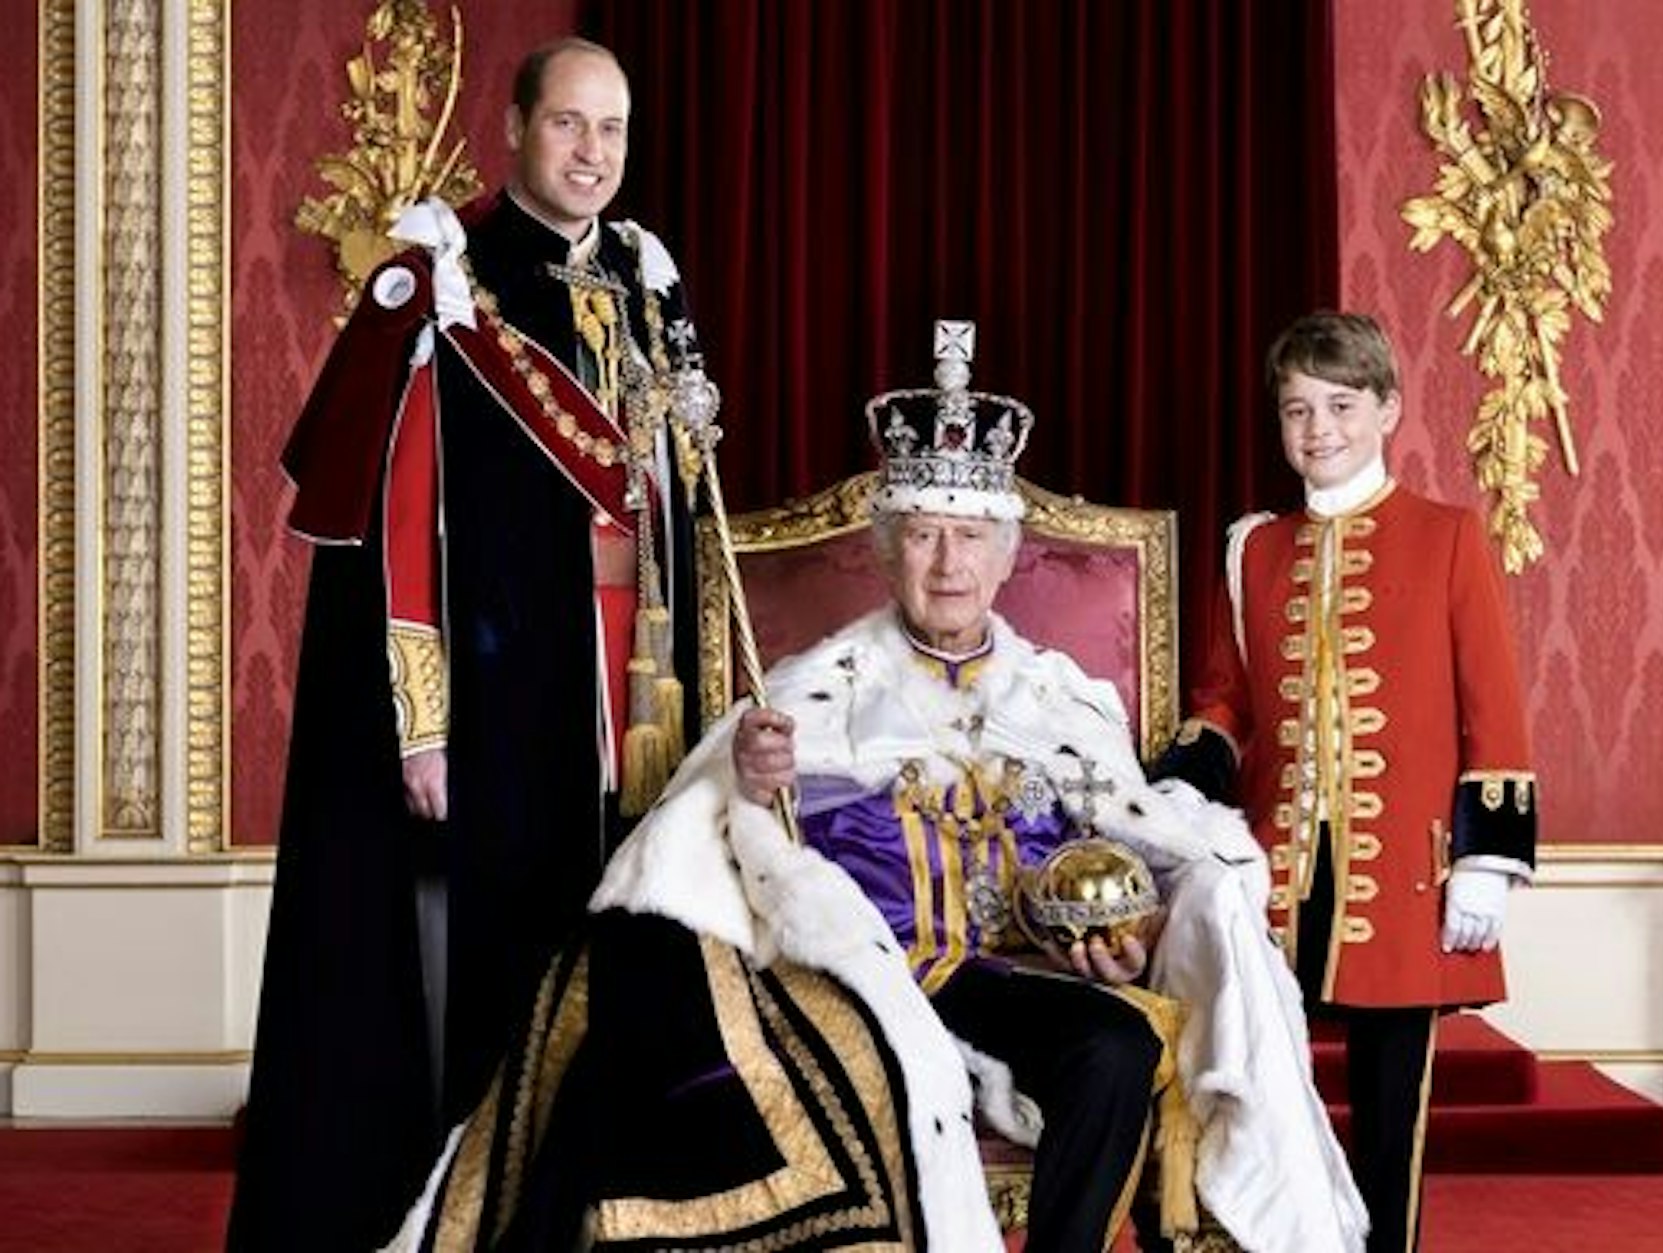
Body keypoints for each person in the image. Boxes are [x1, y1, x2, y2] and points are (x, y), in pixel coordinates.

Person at [387, 322, 1367, 1253]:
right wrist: (751, 782)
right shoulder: (815, 690)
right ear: (888, 550)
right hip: (860, 978)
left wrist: (1125, 930)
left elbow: (1127, 847)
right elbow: (716, 842)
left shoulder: (1060, 698)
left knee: (1113, 1046)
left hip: (1001, 979)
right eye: (924, 535)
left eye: (969, 536)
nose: (948, 563)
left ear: (1006, 555)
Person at [230, 37, 710, 1252]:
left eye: (611, 128)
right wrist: (421, 724)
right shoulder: (446, 279)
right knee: (508, 978)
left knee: (629, 959)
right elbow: (399, 525)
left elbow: (676, 504)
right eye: (568, 124)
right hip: (502, 695)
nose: (592, 152)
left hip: (637, 690)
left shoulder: (646, 281)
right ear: (512, 128)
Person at [1154, 312, 1539, 1253]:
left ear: (1388, 410)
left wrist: (1487, 859)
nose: (1318, 428)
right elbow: (1226, 696)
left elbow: (1493, 703)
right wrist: (1183, 782)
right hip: (1278, 869)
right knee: (1258, 1092)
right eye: (1298, 410)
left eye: (1340, 405)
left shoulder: (1448, 536)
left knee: (1390, 1108)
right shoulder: (1254, 550)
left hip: (1404, 872)